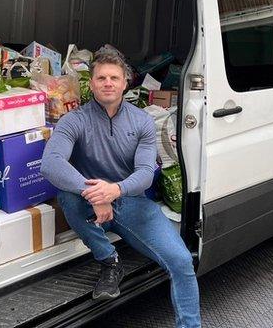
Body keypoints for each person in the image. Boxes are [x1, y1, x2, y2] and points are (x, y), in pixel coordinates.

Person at [41, 49, 201, 328]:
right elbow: (51, 164)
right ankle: (110, 260)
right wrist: (94, 193)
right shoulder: (74, 120)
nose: (108, 83)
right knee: (67, 194)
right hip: (89, 204)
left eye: (114, 77)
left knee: (182, 261)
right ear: (90, 84)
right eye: (101, 77)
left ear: (125, 82)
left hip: (131, 203)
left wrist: (114, 191)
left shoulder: (141, 121)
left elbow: (144, 175)